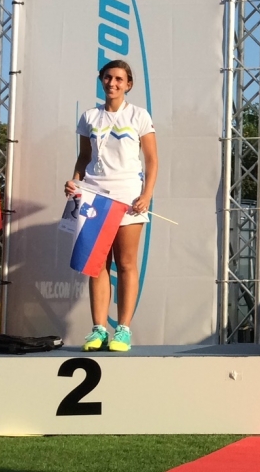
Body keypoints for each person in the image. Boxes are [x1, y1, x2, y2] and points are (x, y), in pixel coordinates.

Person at [65, 60, 158, 352]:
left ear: (128, 84)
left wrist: (147, 194)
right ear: (101, 80)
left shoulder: (139, 115)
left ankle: (124, 330)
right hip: (94, 197)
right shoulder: (89, 116)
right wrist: (75, 181)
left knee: (126, 264)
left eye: (119, 79)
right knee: (97, 264)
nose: (112, 83)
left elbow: (152, 160)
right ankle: (98, 329)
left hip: (129, 198)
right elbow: (84, 157)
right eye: (108, 77)